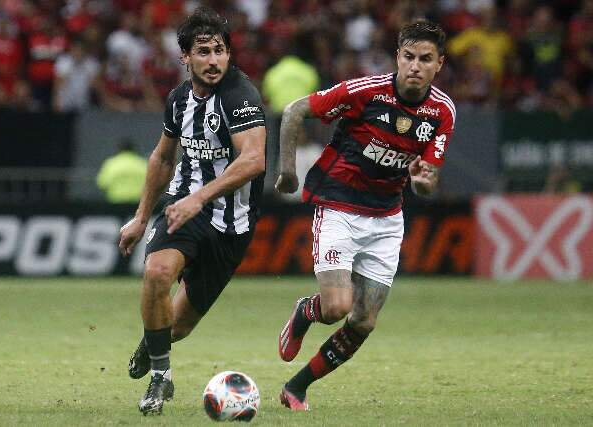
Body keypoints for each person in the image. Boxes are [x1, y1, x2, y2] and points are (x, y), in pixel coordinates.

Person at [275, 20, 456, 411]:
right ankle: (307, 311)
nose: (415, 66)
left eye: (425, 59)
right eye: (408, 56)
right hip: (339, 204)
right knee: (336, 307)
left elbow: (426, 183)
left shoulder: (442, 111)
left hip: (388, 218)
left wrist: (424, 180)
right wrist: (288, 171)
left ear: (439, 63)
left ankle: (296, 387)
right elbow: (293, 112)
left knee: (363, 321)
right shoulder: (366, 92)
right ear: (397, 56)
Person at [117, 7, 266, 415]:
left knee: (176, 326)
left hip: (230, 224)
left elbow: (253, 160)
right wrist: (142, 216)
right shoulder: (179, 99)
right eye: (203, 52)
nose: (213, 60)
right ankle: (160, 379)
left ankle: (153, 343)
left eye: (219, 51)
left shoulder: (240, 96)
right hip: (181, 208)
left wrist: (202, 197)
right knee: (157, 273)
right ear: (185, 57)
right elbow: (164, 158)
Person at [96, 139, 148, 203]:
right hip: (137, 204)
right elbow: (150, 184)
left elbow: (102, 184)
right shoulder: (142, 164)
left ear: (119, 149)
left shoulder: (111, 164)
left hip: (115, 204)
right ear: (134, 150)